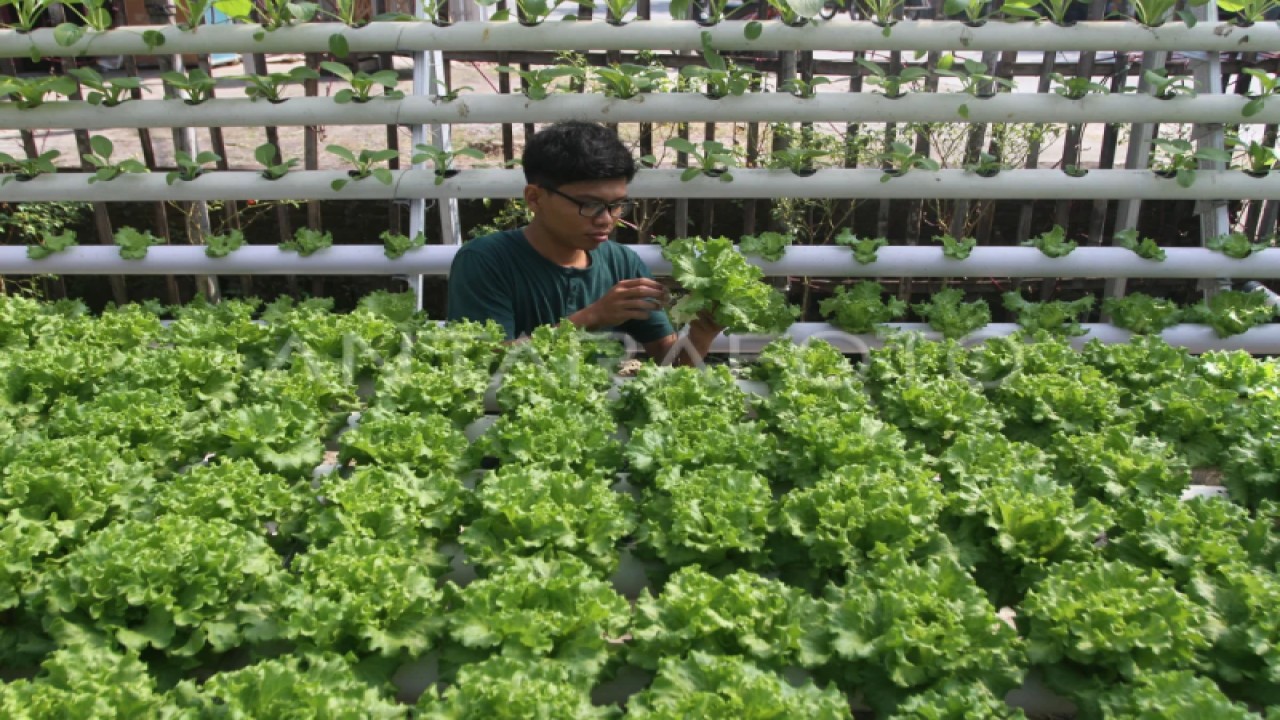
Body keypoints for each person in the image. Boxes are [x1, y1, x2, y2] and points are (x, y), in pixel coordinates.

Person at [446, 121, 723, 365]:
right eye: (590, 205)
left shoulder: (622, 262)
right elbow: (483, 364)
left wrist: (702, 333)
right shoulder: (485, 260)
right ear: (534, 198)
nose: (606, 220)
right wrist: (592, 317)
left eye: (617, 205)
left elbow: (670, 364)